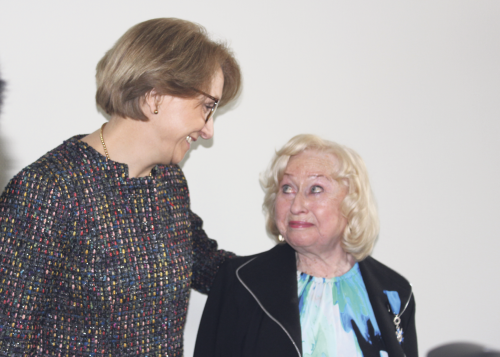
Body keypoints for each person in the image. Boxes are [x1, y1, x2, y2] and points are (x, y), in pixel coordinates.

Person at [0, 18, 241, 356]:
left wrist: (295, 263)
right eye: (206, 107)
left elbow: (206, 265)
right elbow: (9, 338)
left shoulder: (168, 183)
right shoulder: (50, 190)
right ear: (154, 96)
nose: (208, 130)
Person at [194, 134, 418, 357]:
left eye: (316, 189)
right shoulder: (237, 283)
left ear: (352, 203)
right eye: (287, 189)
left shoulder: (396, 293)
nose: (297, 205)